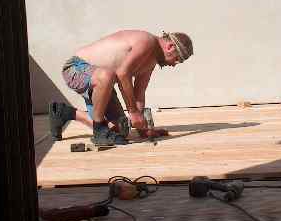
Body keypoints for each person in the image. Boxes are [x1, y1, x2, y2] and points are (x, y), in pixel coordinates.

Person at [49, 30, 193, 146]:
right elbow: (123, 73)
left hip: (102, 82)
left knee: (120, 129)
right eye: (177, 59)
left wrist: (142, 128)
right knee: (107, 75)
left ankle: (64, 112)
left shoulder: (151, 61)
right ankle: (99, 131)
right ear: (170, 47)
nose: (174, 65)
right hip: (76, 68)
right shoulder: (147, 42)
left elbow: (139, 93)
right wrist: (133, 112)